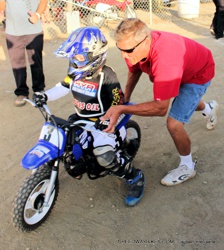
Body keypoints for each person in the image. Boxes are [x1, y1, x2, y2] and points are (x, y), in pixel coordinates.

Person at [33, 27, 145, 207]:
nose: (74, 60)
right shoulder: (75, 73)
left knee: (104, 156)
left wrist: (107, 121)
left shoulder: (107, 76)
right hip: (81, 120)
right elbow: (63, 86)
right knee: (65, 142)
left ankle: (134, 176)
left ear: (94, 55)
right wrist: (45, 96)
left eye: (79, 57)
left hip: (105, 125)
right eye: (73, 57)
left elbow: (118, 102)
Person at [100, 18, 219, 186]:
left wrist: (122, 109)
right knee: (185, 102)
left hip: (198, 72)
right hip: (182, 66)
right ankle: (208, 109)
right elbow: (134, 71)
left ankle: (187, 166)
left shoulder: (166, 59)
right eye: (120, 49)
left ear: (146, 41)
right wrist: (125, 98)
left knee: (174, 124)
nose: (123, 55)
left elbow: (161, 108)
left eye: (127, 51)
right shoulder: (133, 48)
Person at [0, 0, 47, 107]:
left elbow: (44, 1)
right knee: (17, 64)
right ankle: (21, 92)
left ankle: (39, 89)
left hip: (34, 31)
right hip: (13, 32)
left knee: (36, 62)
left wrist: (38, 15)